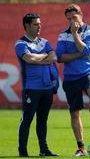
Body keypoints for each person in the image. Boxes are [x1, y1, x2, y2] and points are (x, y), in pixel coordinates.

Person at [56, 4, 90, 157]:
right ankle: (81, 148)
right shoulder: (63, 35)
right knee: (74, 113)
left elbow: (88, 51)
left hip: (88, 72)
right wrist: (79, 54)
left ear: (81, 15)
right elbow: (60, 57)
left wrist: (75, 35)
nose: (71, 21)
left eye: (74, 17)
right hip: (70, 77)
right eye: (68, 19)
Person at [15, 13, 59, 157]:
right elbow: (29, 58)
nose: (39, 26)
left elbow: (54, 57)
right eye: (36, 24)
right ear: (27, 26)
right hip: (31, 89)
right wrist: (44, 56)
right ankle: (23, 151)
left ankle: (43, 150)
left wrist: (38, 57)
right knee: (27, 119)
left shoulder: (44, 42)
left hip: (47, 88)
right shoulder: (21, 43)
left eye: (40, 24)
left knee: (43, 120)